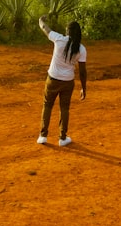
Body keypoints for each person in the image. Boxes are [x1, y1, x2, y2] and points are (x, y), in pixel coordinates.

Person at [36, 15, 87, 147]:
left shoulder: (59, 39)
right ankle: (62, 138)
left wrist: (41, 20)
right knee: (64, 108)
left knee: (47, 105)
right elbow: (82, 71)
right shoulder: (81, 49)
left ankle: (43, 136)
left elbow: (45, 28)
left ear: (67, 31)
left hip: (52, 79)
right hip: (68, 81)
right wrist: (83, 88)